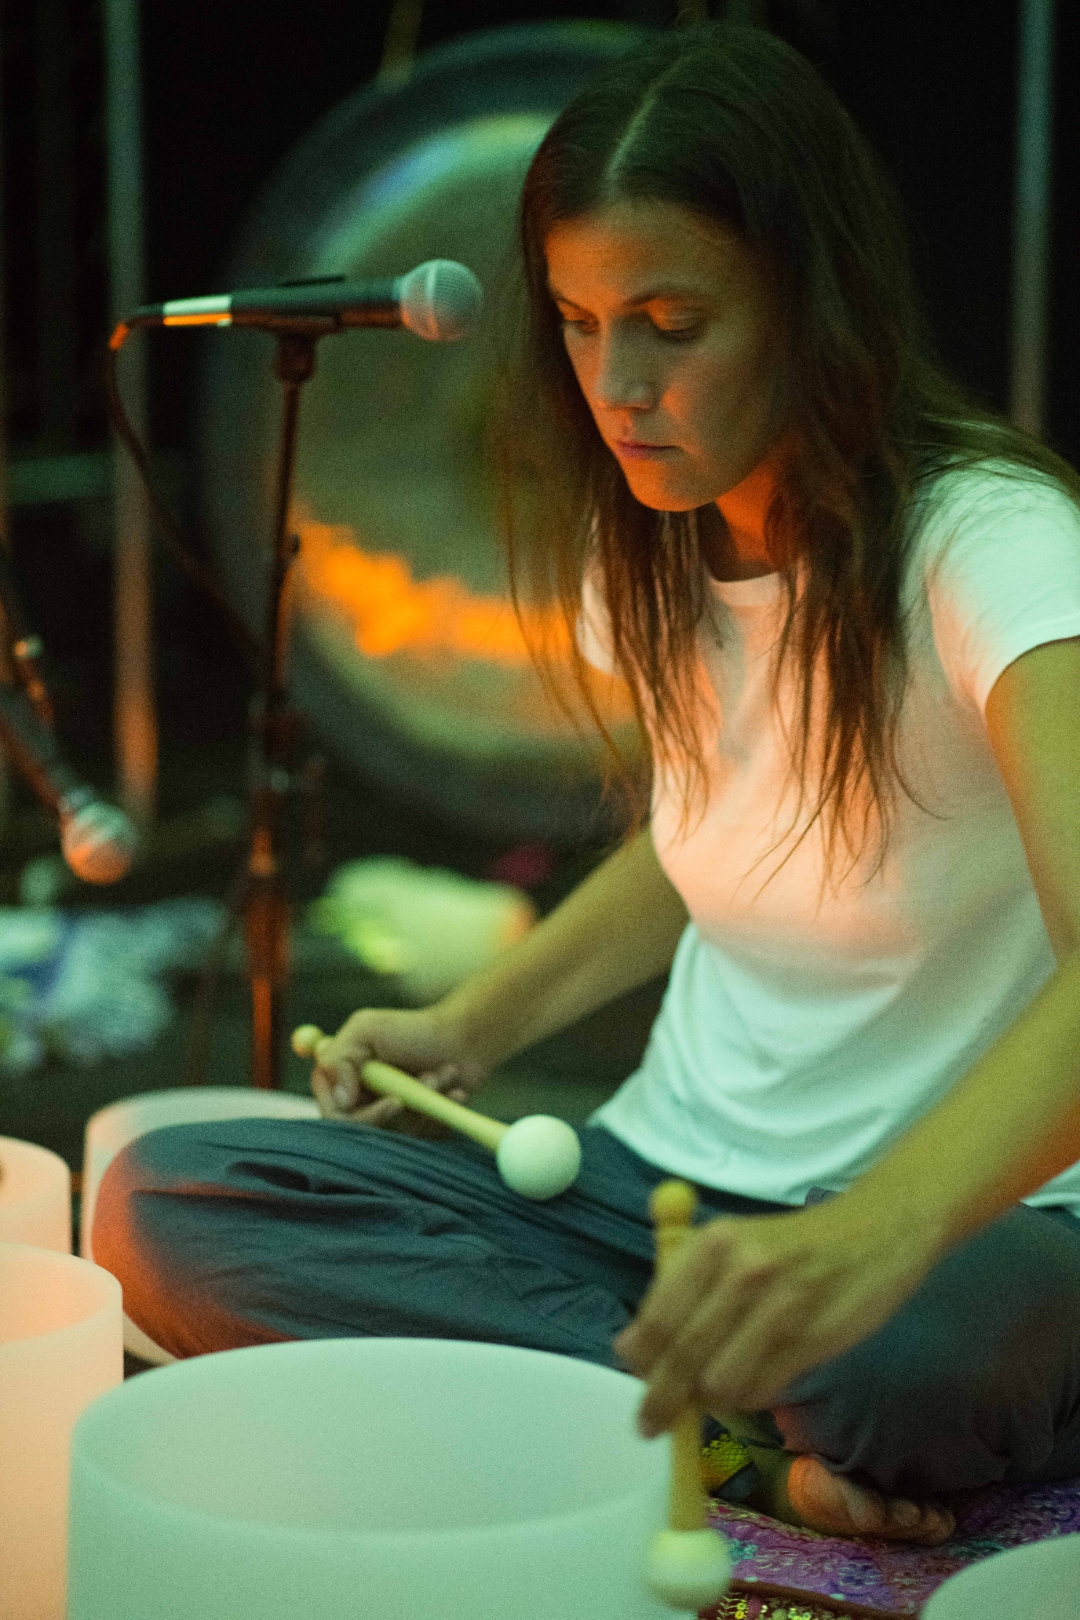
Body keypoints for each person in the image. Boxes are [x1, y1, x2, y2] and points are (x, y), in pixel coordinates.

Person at [95, 23, 1080, 1546]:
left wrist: (876, 1236)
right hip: (660, 1191)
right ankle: (743, 1459)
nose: (618, 384)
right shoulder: (659, 546)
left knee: (908, 1365)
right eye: (577, 321)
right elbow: (702, 842)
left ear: (813, 307)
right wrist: (471, 1025)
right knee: (172, 1204)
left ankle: (678, 1414)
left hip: (950, 1233)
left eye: (675, 322)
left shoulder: (997, 548)